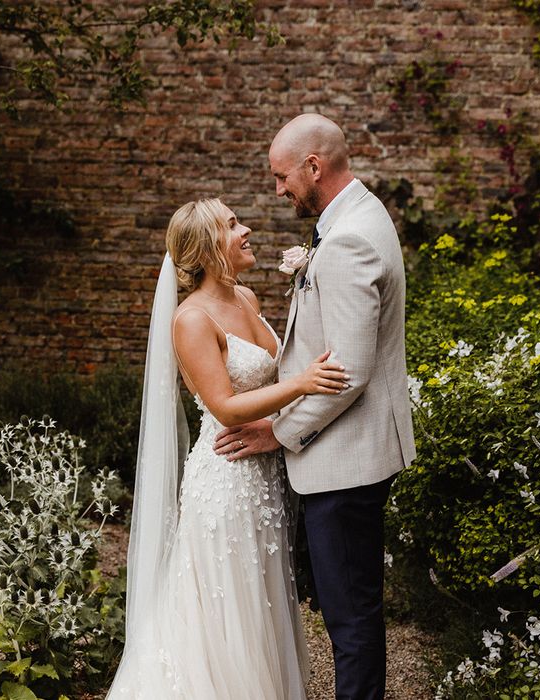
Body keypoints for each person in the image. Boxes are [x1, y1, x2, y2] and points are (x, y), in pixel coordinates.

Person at [106, 198, 350, 699]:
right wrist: (304, 384)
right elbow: (224, 406)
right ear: (205, 248)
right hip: (226, 477)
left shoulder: (247, 299)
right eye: (233, 225)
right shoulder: (190, 320)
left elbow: (268, 373)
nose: (247, 231)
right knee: (224, 608)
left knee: (258, 601)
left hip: (265, 475)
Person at [215, 113, 417, 700]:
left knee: (350, 619)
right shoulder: (357, 215)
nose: (279, 191)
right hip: (349, 456)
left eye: (283, 178)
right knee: (349, 610)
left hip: (346, 462)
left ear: (314, 166)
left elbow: (347, 373)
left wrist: (278, 432)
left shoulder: (348, 239)